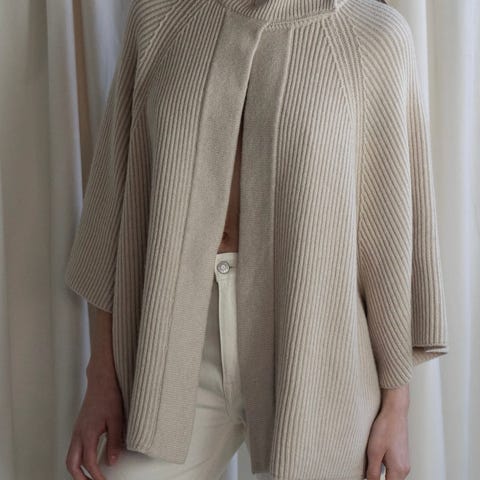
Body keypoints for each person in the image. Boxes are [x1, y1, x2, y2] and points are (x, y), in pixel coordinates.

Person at [64, 0, 449, 479]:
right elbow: (112, 211)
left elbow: (390, 234)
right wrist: (101, 375)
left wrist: (396, 406)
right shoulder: (160, 18)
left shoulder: (374, 34)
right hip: (175, 350)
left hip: (316, 350)